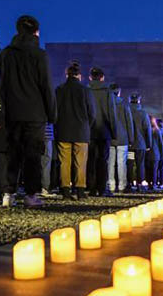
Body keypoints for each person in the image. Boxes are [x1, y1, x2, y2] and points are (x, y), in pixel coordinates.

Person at [0, 14, 56, 209]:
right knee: (33, 155)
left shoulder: (5, 54)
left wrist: (3, 109)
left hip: (12, 112)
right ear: (36, 32)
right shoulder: (39, 55)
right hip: (35, 113)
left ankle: (8, 193)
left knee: (11, 153)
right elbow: (46, 86)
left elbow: (0, 85)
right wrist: (51, 113)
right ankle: (31, 195)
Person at [54, 61, 95, 200]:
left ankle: (65, 190)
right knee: (81, 161)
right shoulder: (85, 90)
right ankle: (80, 190)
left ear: (67, 75)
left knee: (64, 162)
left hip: (63, 130)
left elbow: (55, 111)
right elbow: (92, 112)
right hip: (81, 130)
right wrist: (87, 125)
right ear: (80, 76)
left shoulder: (59, 89)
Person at [86, 67, 116, 196]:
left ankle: (91, 188)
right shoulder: (107, 92)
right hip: (104, 130)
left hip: (89, 130)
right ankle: (102, 188)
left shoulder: (86, 91)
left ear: (90, 77)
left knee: (90, 159)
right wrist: (114, 132)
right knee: (103, 160)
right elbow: (111, 113)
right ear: (102, 78)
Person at [109, 83, 133, 194]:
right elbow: (129, 123)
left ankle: (111, 185)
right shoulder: (124, 105)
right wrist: (131, 139)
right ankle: (122, 185)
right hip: (123, 138)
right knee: (121, 163)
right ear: (119, 92)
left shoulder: (107, 104)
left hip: (109, 138)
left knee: (110, 163)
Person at [128, 93, 151, 191]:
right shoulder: (143, 113)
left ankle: (128, 183)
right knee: (140, 164)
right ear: (139, 101)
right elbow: (147, 129)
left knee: (129, 164)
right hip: (141, 144)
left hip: (129, 144)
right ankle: (139, 184)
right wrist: (148, 144)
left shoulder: (126, 111)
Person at [149, 116, 163, 188]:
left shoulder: (147, 130)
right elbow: (160, 143)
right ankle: (154, 183)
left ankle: (149, 183)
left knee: (149, 169)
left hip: (148, 152)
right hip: (156, 153)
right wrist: (162, 154)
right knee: (155, 170)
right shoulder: (157, 131)